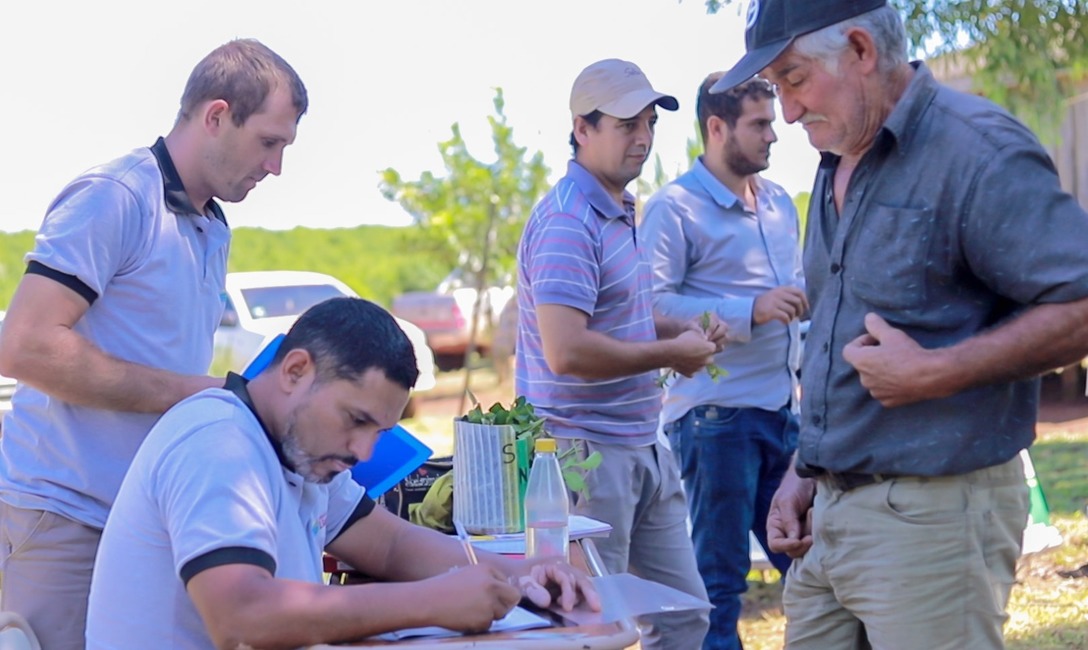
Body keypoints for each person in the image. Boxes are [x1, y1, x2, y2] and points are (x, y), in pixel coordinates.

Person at [712, 1, 1088, 648]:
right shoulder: (835, 159)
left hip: (935, 521)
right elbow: (835, 337)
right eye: (778, 89)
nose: (790, 111)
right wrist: (807, 469)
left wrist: (939, 372)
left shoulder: (978, 151)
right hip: (825, 518)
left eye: (795, 79)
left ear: (861, 49)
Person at [0, 39, 307, 650]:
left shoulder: (212, 222)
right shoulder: (115, 196)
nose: (276, 167)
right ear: (216, 115)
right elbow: (24, 346)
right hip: (62, 516)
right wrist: (201, 396)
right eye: (269, 143)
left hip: (142, 518)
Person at [86, 297, 599, 649]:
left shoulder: (302, 452)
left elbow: (393, 546)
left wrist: (524, 573)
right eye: (355, 421)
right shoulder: (218, 441)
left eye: (379, 431)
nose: (361, 450)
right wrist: (429, 602)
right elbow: (239, 618)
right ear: (295, 371)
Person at [515, 58, 727, 650]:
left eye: (650, 124)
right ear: (581, 128)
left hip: (639, 443)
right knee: (594, 632)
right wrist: (671, 354)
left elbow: (619, 316)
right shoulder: (568, 221)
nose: (643, 138)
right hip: (583, 454)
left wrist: (690, 331)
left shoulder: (617, 208)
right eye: (627, 123)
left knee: (683, 617)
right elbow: (567, 350)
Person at [641, 73, 807, 650]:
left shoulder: (782, 203)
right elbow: (652, 307)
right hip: (715, 420)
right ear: (717, 127)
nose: (774, 134)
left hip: (786, 416)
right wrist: (749, 310)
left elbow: (799, 292)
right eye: (759, 123)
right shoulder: (674, 208)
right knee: (719, 586)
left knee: (813, 570)